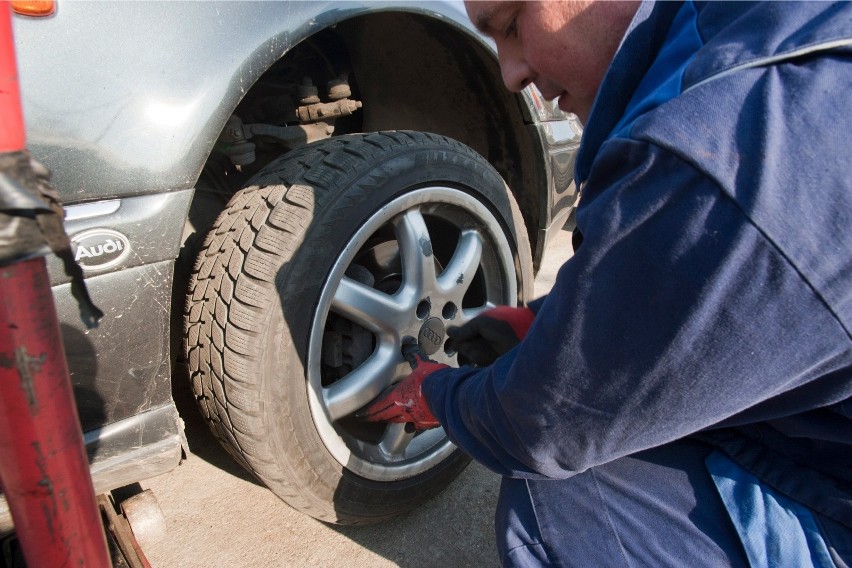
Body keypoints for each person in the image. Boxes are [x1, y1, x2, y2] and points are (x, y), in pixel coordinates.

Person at [361, 1, 852, 566]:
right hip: (821, 434)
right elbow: (695, 296)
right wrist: (546, 321)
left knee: (566, 495)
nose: (510, 73)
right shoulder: (746, 38)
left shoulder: (705, 157)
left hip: (831, 489)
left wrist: (436, 395)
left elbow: (544, 422)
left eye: (513, 25)